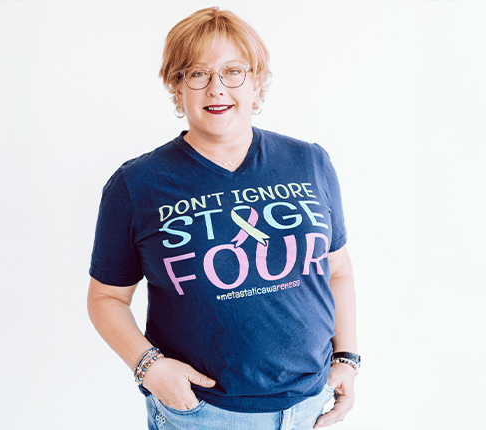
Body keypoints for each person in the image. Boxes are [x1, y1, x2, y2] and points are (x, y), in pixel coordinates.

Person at [87, 7, 358, 430]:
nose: (217, 88)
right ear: (177, 86)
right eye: (198, 73)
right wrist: (149, 368)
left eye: (233, 71)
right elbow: (106, 298)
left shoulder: (309, 162)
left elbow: (337, 269)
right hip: (203, 413)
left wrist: (347, 359)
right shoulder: (136, 185)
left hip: (312, 406)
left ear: (256, 82)